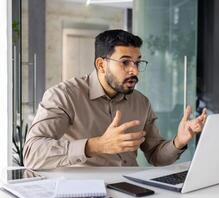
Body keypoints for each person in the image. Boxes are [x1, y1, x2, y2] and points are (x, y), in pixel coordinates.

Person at [23, 29, 207, 170]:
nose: (134, 70)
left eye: (137, 62)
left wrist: (179, 141)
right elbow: (32, 153)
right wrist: (96, 146)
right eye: (125, 62)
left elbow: (156, 156)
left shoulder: (141, 102)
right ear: (101, 65)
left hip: (133, 189)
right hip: (85, 191)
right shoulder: (64, 96)